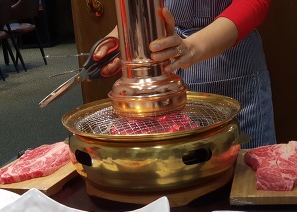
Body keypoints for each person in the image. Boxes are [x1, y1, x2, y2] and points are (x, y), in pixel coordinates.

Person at [97, 0, 276, 149]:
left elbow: (254, 3)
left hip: (236, 73)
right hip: (168, 80)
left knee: (245, 177)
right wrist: (122, 36)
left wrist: (191, 47)